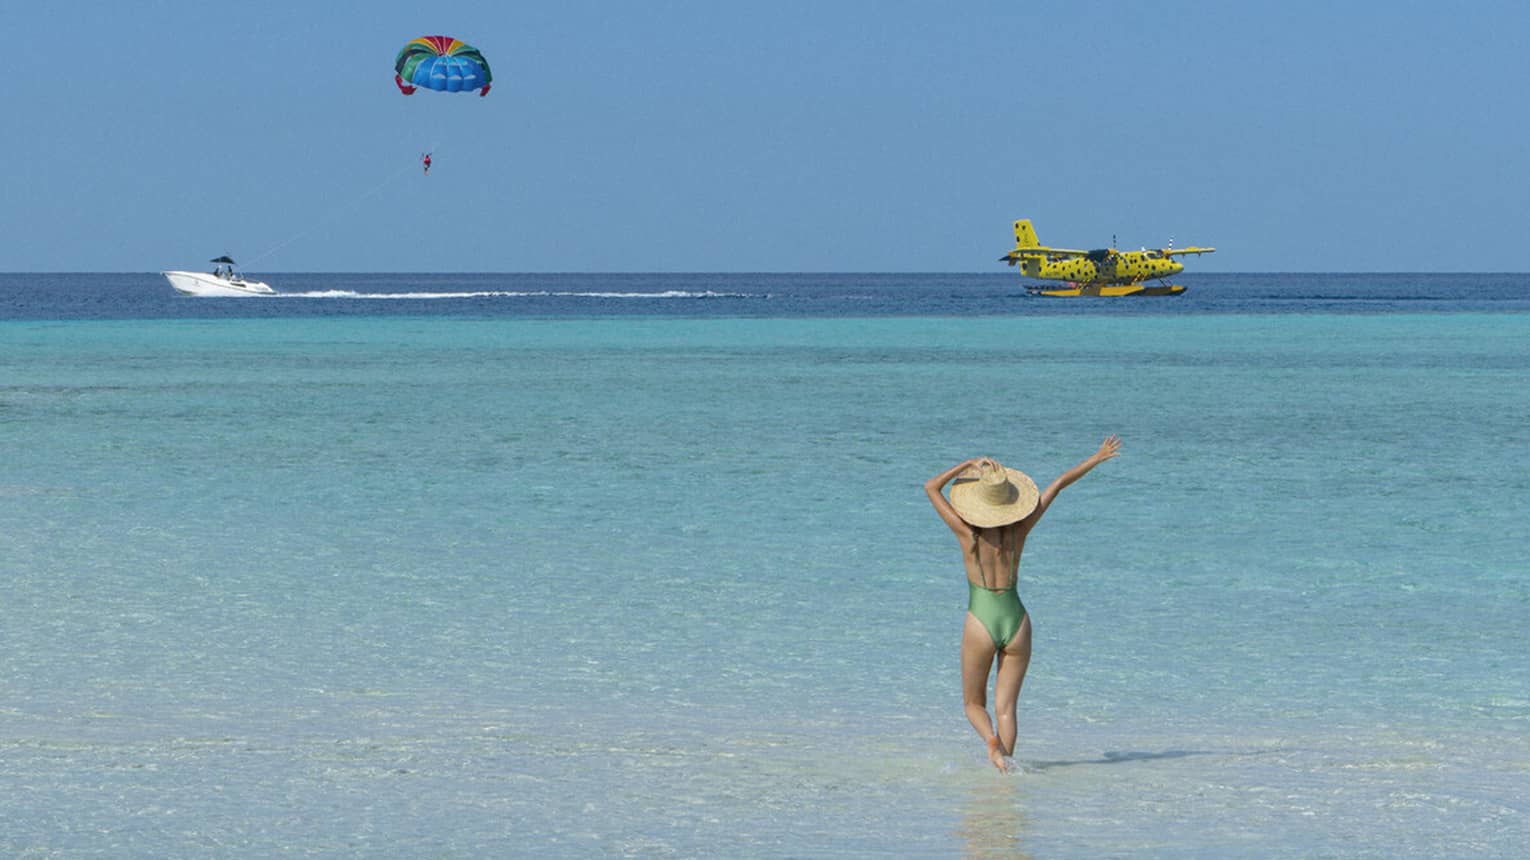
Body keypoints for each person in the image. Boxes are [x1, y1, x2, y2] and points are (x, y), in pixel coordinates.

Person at [924, 436, 1121, 773]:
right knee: (1007, 708)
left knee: (973, 703)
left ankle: (990, 742)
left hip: (981, 619)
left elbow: (931, 488)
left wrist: (967, 464)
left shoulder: (967, 535)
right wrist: (1097, 457)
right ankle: (1006, 771)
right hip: (1017, 619)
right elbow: (1057, 485)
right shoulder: (1021, 530)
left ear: (977, 504)